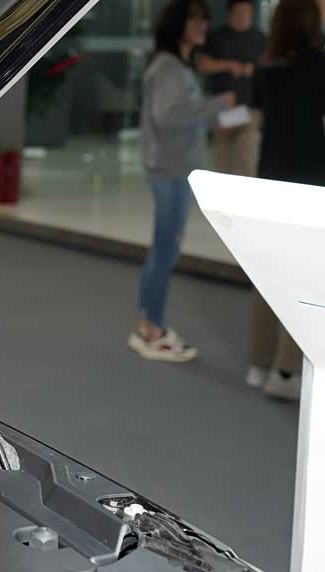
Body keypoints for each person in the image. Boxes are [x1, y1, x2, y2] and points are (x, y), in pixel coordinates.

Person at [128, 0, 235, 362]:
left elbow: (180, 117)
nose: (203, 26)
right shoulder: (169, 67)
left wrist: (212, 117)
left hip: (173, 169)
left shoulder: (174, 66)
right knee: (165, 251)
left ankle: (146, 325)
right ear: (179, 24)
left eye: (205, 20)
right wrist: (216, 104)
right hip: (170, 172)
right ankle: (153, 331)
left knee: (162, 250)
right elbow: (168, 117)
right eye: (196, 20)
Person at [244, 0, 325, 399]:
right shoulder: (320, 66)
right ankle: (286, 371)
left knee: (268, 276)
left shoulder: (267, 66)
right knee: (303, 279)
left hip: (270, 178)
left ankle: (259, 364)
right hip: (309, 181)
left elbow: (259, 113)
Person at [196, 0, 265, 178]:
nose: (242, 17)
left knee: (246, 160)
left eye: (246, 13)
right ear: (229, 14)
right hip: (223, 108)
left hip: (249, 109)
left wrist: (253, 69)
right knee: (223, 161)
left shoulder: (260, 38)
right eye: (238, 13)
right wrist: (229, 65)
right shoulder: (216, 37)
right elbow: (202, 64)